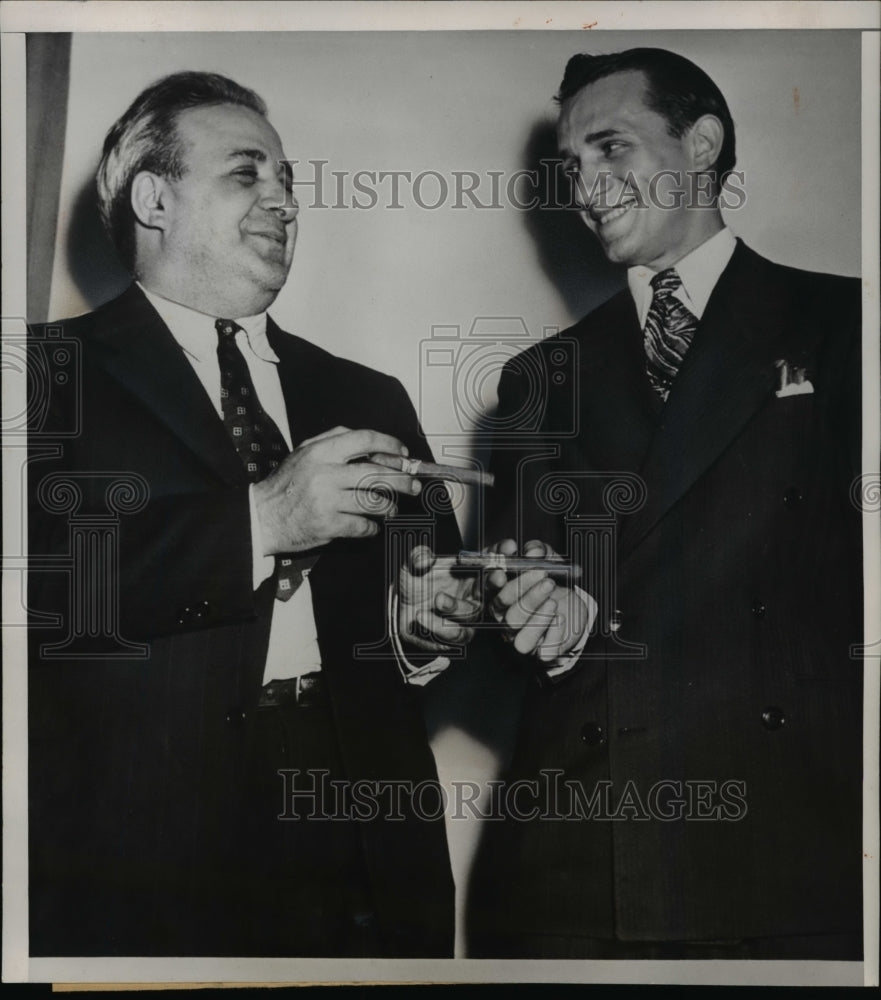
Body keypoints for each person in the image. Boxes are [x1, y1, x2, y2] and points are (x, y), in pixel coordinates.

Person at [26, 71, 474, 958]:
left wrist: (429, 632)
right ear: (154, 197)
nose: (284, 202)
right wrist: (261, 521)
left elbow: (431, 611)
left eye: (288, 182)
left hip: (365, 844)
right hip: (138, 857)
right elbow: (35, 588)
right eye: (246, 173)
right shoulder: (44, 375)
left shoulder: (364, 393)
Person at [467, 48, 863, 959]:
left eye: (610, 148)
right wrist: (537, 622)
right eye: (572, 168)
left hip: (788, 845)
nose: (587, 187)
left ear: (702, 144)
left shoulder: (850, 327)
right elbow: (509, 626)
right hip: (577, 854)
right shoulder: (537, 382)